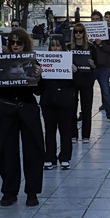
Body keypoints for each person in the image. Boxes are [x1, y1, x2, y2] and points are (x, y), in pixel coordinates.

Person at [0, 27, 45, 206]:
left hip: (28, 108)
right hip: (8, 110)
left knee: (33, 150)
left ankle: (32, 191)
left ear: (25, 43)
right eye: (12, 42)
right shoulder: (1, 61)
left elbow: (40, 91)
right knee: (6, 151)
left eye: (19, 42)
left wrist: (39, 78)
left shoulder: (32, 61)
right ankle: (9, 191)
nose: (16, 45)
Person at [40, 35, 78, 170]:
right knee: (49, 131)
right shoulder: (43, 62)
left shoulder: (69, 60)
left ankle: (65, 157)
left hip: (65, 102)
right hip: (48, 101)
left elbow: (77, 84)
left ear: (62, 47)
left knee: (65, 131)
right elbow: (38, 88)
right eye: (52, 46)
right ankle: (50, 157)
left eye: (58, 46)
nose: (55, 48)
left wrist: (75, 71)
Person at [70, 23, 99, 143]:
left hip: (87, 80)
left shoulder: (91, 47)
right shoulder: (69, 47)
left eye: (80, 31)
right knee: (72, 108)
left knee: (87, 108)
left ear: (84, 33)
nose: (78, 34)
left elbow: (97, 65)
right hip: (72, 81)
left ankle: (86, 135)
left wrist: (92, 64)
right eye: (76, 31)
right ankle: (73, 134)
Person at [88, 10, 110, 124]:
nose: (95, 21)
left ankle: (109, 114)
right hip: (89, 67)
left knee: (106, 91)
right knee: (87, 92)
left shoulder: (106, 32)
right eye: (93, 19)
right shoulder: (86, 32)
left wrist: (101, 44)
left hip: (103, 66)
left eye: (97, 19)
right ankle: (84, 114)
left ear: (101, 20)